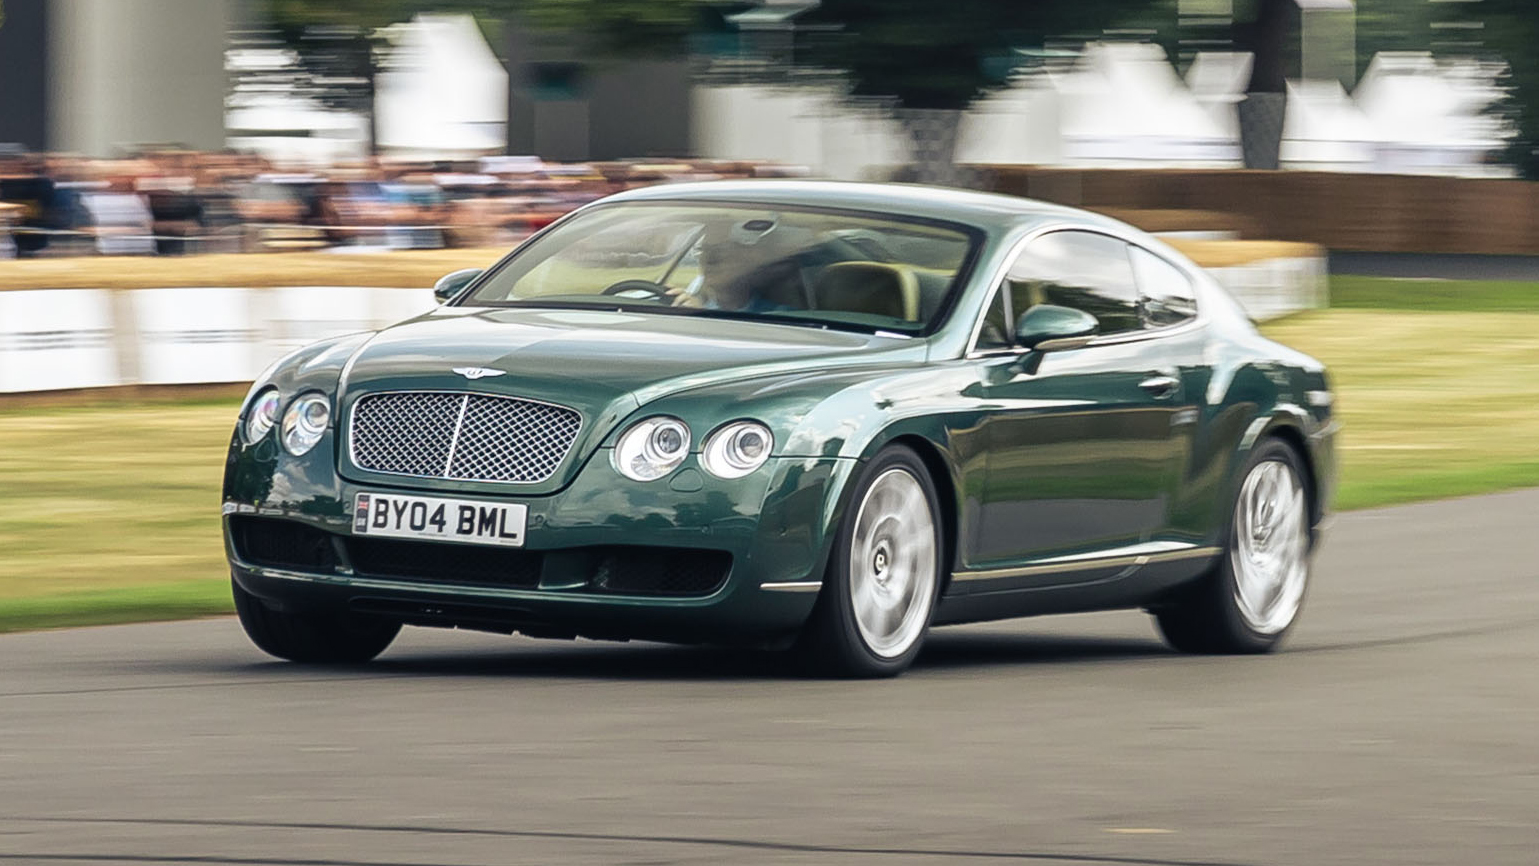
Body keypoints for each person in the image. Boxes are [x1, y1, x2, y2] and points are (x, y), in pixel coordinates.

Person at [667, 215, 803, 313]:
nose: (708, 259)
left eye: (720, 250)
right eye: (704, 249)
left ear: (750, 258)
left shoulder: (782, 315)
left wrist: (705, 318)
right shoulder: (688, 303)